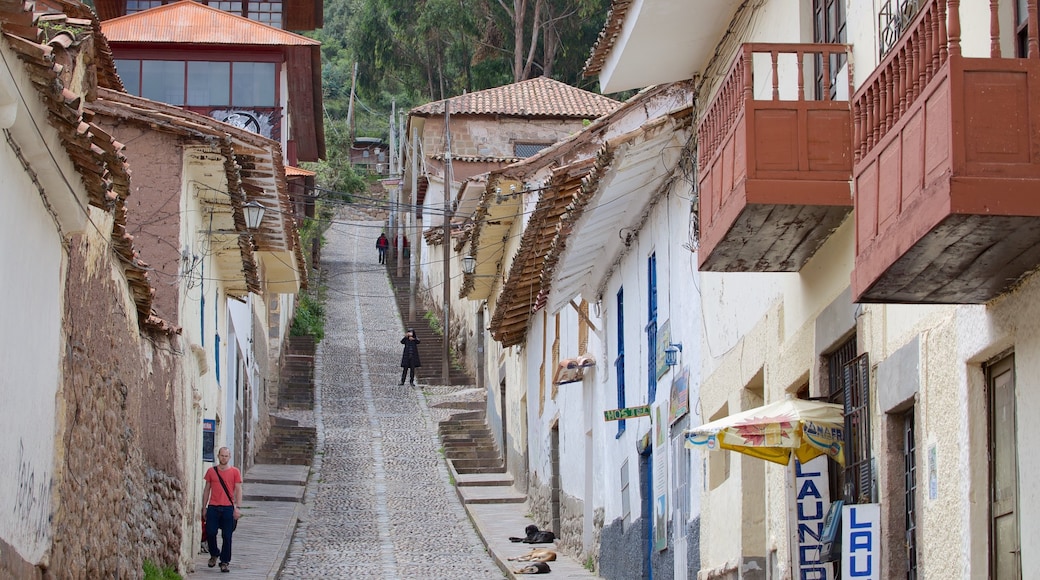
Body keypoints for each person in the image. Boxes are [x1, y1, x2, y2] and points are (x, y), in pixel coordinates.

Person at [202, 447, 243, 573]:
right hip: (213, 506)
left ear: (229, 457)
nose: (224, 458)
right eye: (222, 455)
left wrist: (238, 508)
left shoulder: (235, 472)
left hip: (228, 508)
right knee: (210, 532)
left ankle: (224, 561)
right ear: (218, 456)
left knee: (227, 536)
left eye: (226, 456)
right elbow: (207, 489)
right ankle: (214, 553)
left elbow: (238, 490)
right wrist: (204, 507)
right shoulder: (211, 471)